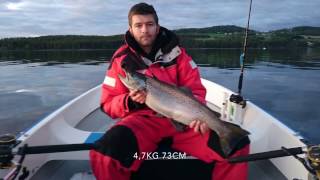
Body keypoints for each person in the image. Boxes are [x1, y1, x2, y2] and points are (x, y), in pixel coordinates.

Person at [89, 2, 250, 180]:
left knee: (238, 145)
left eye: (149, 24)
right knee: (104, 153)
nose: (144, 30)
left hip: (184, 122)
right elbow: (107, 104)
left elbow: (196, 91)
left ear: (157, 27)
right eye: (139, 25)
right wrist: (130, 101)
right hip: (142, 123)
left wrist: (200, 117)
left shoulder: (179, 55)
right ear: (130, 29)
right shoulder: (122, 61)